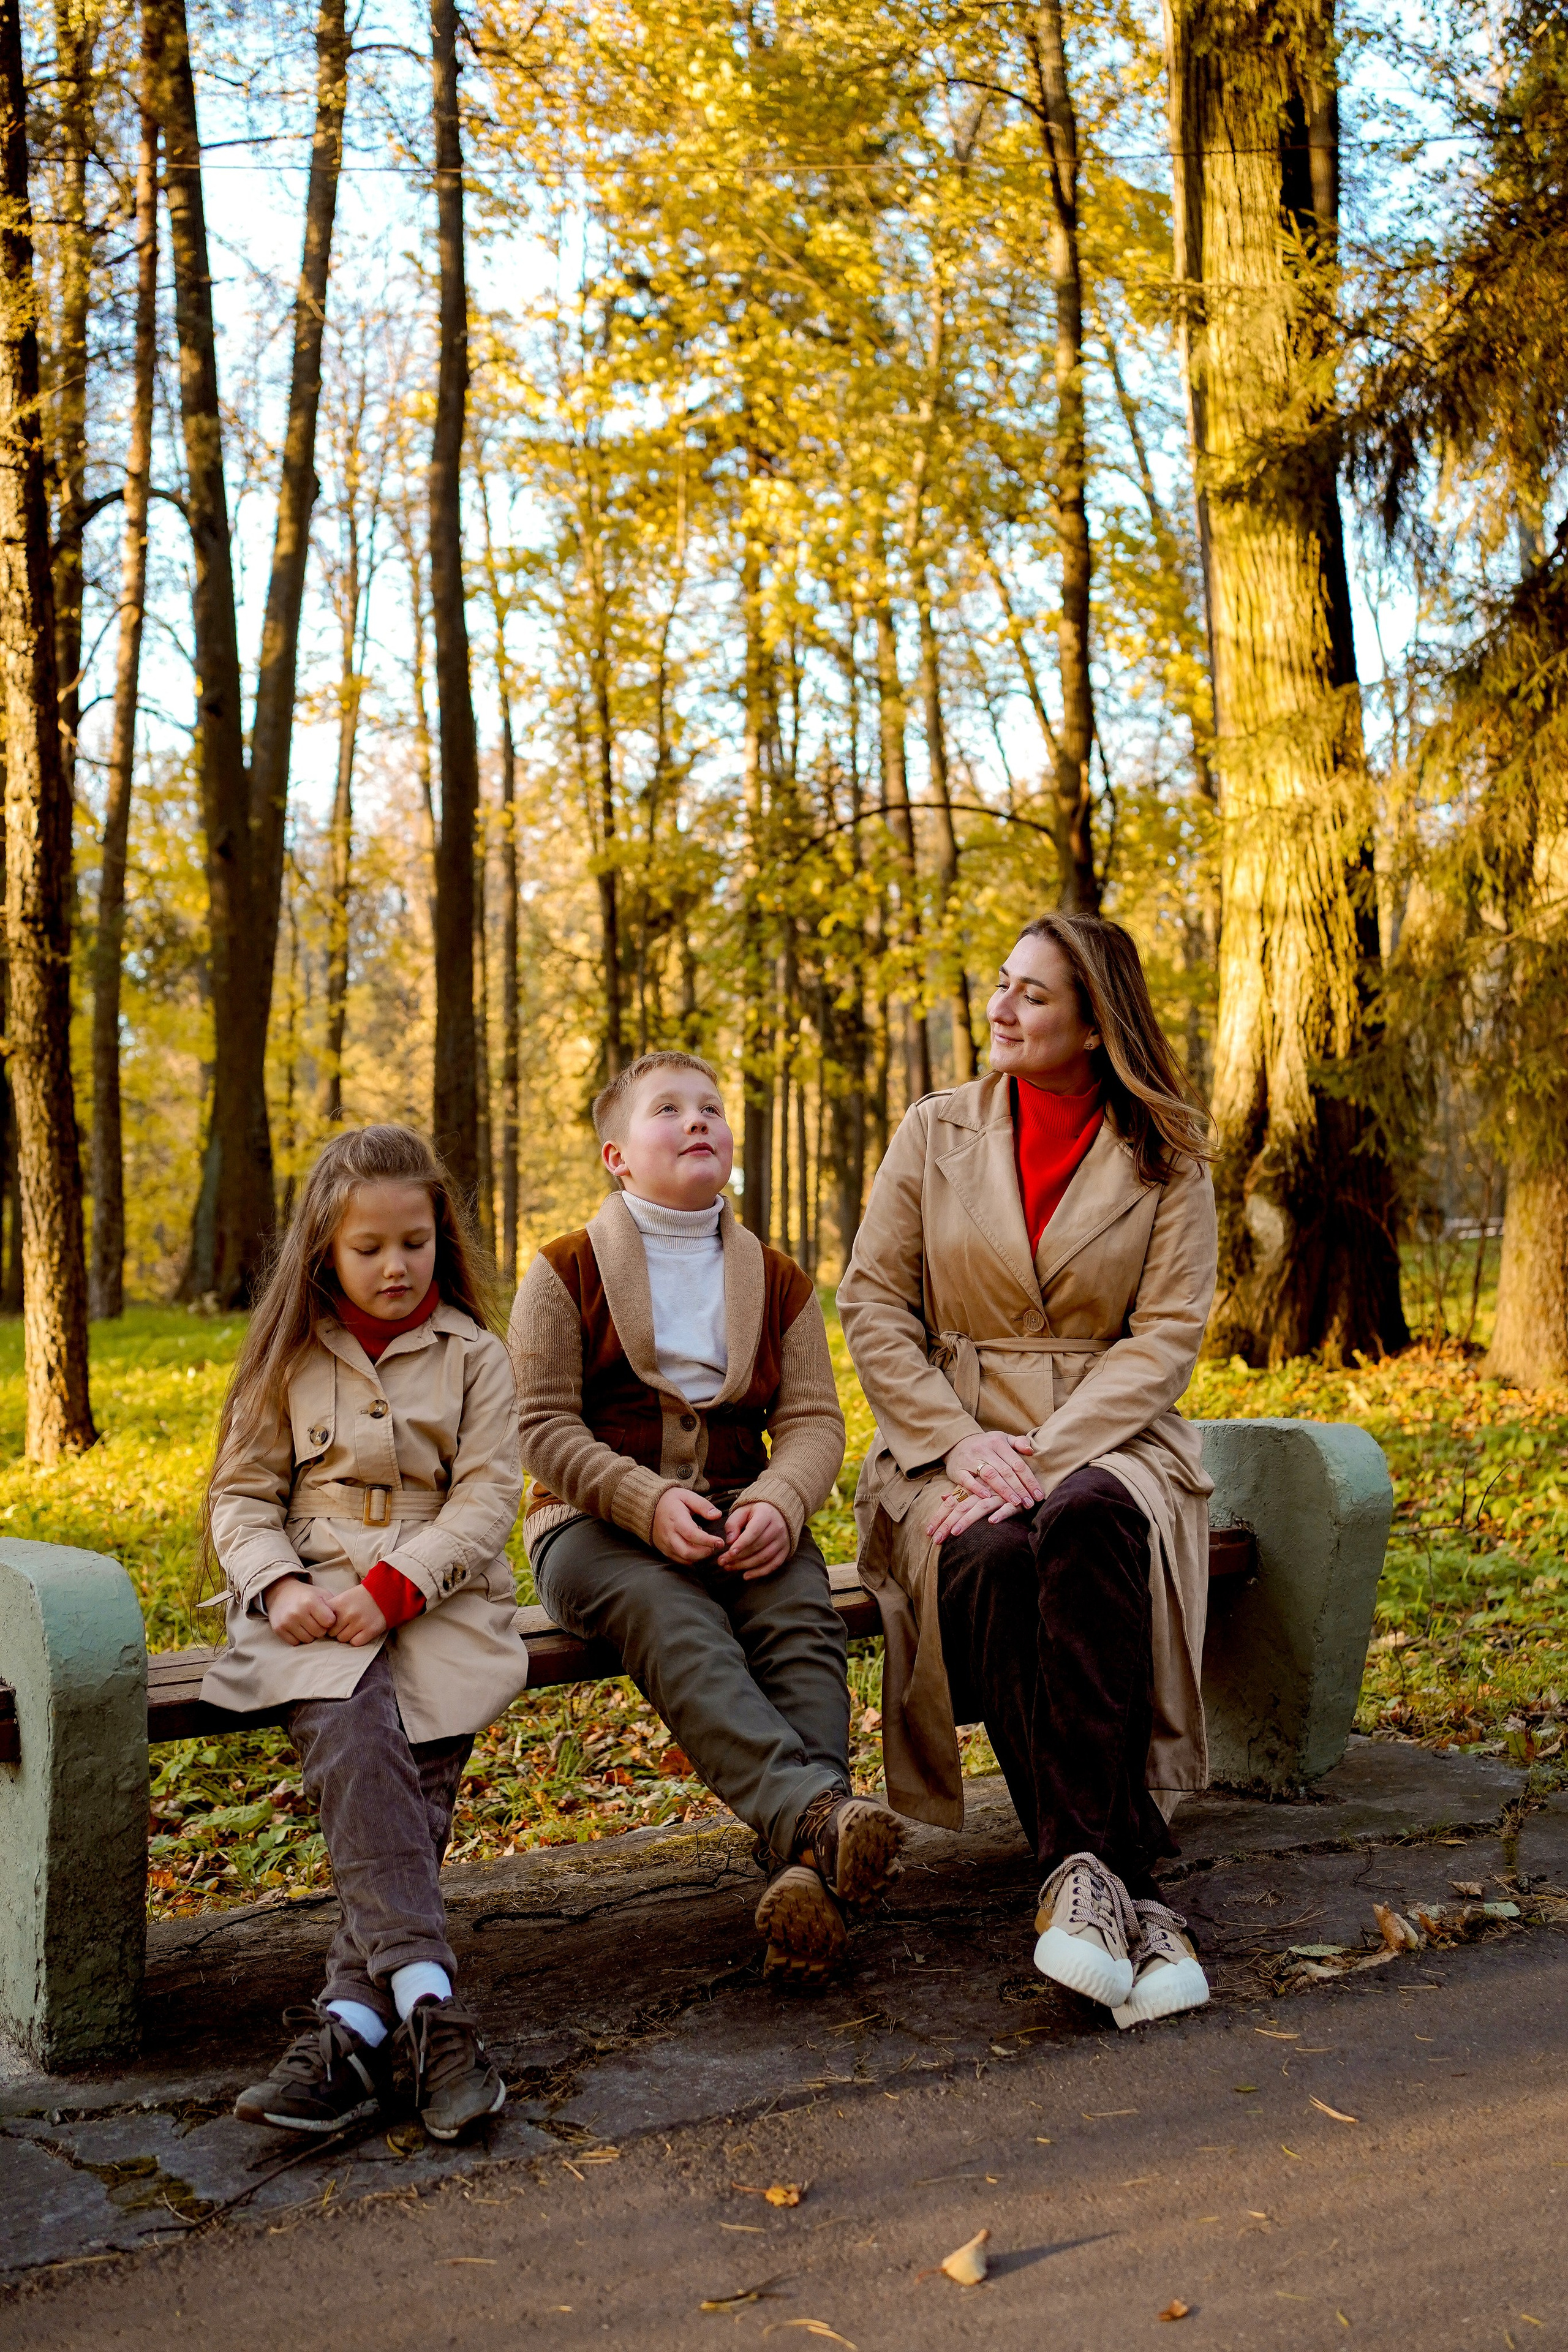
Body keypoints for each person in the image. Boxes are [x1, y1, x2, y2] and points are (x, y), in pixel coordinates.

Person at [837, 914, 1217, 2029]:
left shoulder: (1170, 1154)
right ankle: (1124, 1875)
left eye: (1033, 996)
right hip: (944, 1438)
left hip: (1110, 1435)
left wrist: (1045, 1456)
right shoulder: (933, 1131)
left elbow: (1166, 1337)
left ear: (1096, 1026)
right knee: (993, 1550)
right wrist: (961, 1443)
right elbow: (872, 1302)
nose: (999, 1009)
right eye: (1001, 986)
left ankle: (1077, 1878)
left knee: (1089, 1518)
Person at [510, 1049, 903, 1980]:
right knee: (676, 1621)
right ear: (616, 1155)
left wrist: (779, 1499)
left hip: (745, 1512)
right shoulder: (562, 1272)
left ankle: (807, 1880)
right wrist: (644, 1502)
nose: (698, 1122)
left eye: (713, 1109)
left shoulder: (778, 1278)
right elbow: (538, 1426)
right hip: (594, 1524)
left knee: (801, 1622)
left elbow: (811, 1420)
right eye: (668, 1110)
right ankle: (816, 1820)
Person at [202, 1124, 527, 2138]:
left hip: (441, 1597)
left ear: (441, 1239)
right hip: (311, 1597)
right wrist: (275, 1583)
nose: (397, 1266)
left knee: (419, 1751)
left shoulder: (477, 1356)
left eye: (416, 1243)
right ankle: (430, 2010)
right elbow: (240, 1498)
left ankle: (351, 2023)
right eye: (370, 1248)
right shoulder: (290, 1355)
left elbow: (486, 1500)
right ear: (325, 1254)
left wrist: (401, 1585)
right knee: (353, 1736)